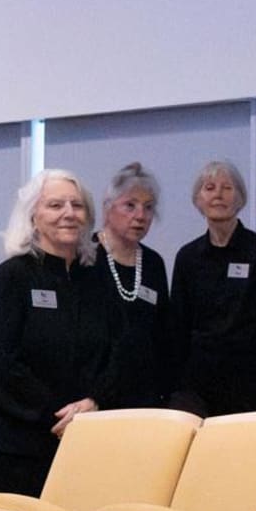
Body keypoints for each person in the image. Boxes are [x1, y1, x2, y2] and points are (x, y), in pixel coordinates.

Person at [0, 169, 123, 496]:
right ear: (33, 215)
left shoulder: (97, 277)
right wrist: (61, 414)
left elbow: (118, 351)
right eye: (55, 205)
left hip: (87, 441)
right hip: (21, 446)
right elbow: (2, 364)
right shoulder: (13, 276)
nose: (69, 213)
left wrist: (94, 402)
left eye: (77, 205)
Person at [169, 160, 256, 416]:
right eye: (210, 188)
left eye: (227, 188)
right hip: (197, 389)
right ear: (198, 199)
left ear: (240, 198)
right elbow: (177, 330)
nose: (218, 195)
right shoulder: (187, 257)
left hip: (252, 386)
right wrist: (173, 390)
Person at [93, 162, 173, 408]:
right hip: (93, 396)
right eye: (130, 205)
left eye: (148, 208)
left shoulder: (153, 263)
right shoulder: (85, 255)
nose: (140, 216)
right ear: (108, 209)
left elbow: (162, 333)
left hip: (145, 396)